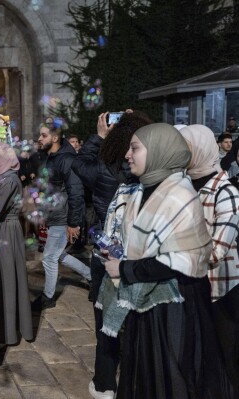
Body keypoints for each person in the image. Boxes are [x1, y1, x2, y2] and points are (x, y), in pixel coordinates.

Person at [98, 123, 235, 399]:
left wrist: (124, 268)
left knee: (170, 378)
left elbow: (181, 260)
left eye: (135, 148)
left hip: (174, 308)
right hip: (146, 303)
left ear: (159, 151)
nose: (127, 154)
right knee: (144, 375)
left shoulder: (179, 196)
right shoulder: (143, 190)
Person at [72, 111, 150, 399]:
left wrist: (99, 136)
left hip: (105, 253)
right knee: (134, 321)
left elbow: (78, 164)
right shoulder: (150, 175)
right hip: (136, 257)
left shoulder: (104, 168)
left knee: (105, 320)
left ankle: (105, 382)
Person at [179, 124, 239, 384]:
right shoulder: (186, 187)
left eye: (186, 149)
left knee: (227, 362)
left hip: (222, 294)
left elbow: (214, 253)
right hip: (193, 290)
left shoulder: (226, 193)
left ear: (201, 150)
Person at [31, 125, 91, 311]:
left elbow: (76, 192)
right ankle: (92, 277)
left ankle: (48, 297)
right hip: (55, 215)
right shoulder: (52, 157)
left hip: (63, 217)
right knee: (58, 255)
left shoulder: (67, 159)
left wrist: (73, 223)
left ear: (55, 138)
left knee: (49, 257)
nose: (39, 138)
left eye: (43, 135)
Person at [0, 142, 33, 346]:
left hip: (6, 232)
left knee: (8, 279)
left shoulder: (9, 180)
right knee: (0, 279)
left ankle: (8, 332)